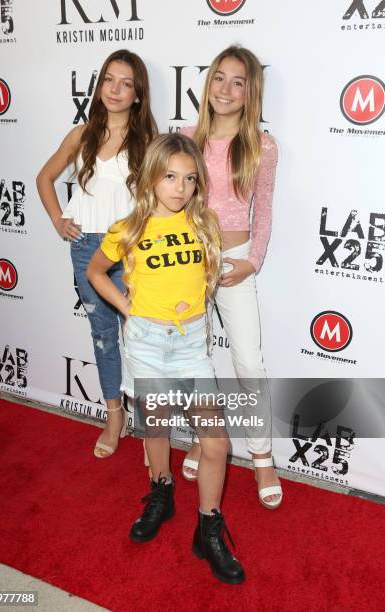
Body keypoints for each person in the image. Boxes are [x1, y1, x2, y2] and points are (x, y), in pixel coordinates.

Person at [87, 133, 246, 584]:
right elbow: (96, 271)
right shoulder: (129, 228)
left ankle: (208, 527)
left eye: (190, 179)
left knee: (216, 443)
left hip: (192, 344)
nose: (180, 187)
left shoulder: (205, 224)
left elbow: (214, 269)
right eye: (170, 176)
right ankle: (162, 491)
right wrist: (125, 306)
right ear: (151, 176)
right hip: (146, 342)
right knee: (154, 426)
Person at [36, 50, 157, 459]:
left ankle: (149, 427)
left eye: (126, 83)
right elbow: (45, 177)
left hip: (132, 249)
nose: (116, 90)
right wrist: (58, 219)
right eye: (109, 80)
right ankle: (113, 415)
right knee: (103, 337)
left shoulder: (148, 141)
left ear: (138, 93)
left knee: (141, 336)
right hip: (88, 248)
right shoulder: (81, 134)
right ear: (100, 85)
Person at [181, 45, 283, 510]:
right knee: (196, 361)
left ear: (250, 92)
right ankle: (207, 438)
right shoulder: (186, 138)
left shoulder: (261, 145)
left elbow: (263, 212)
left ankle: (262, 455)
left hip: (236, 260)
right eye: (218, 78)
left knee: (247, 362)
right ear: (208, 83)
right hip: (189, 260)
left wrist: (253, 262)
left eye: (237, 81)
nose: (225, 89)